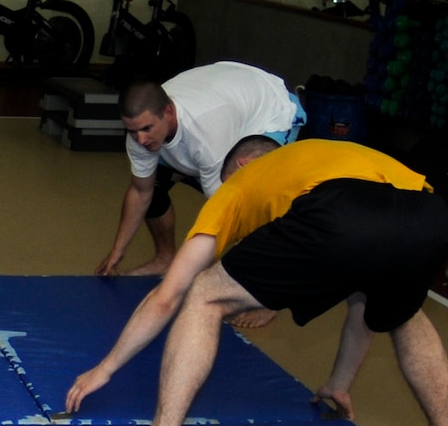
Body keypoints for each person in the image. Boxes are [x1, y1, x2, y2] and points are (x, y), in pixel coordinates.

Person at [66, 137, 448, 426]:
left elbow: (167, 294)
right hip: (429, 216)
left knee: (205, 294)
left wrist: (105, 368)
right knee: (403, 313)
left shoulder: (241, 185)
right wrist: (339, 384)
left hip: (340, 210)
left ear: (242, 164)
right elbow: (361, 287)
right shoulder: (320, 155)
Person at [97, 62, 306, 278]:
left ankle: (263, 281)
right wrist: (117, 251)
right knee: (152, 185)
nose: (140, 139)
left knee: (249, 196)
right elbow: (141, 192)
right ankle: (164, 260)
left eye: (146, 129)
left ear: (168, 112)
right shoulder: (141, 134)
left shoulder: (205, 135)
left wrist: (188, 274)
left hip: (268, 109)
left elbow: (222, 210)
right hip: (225, 97)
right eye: (133, 131)